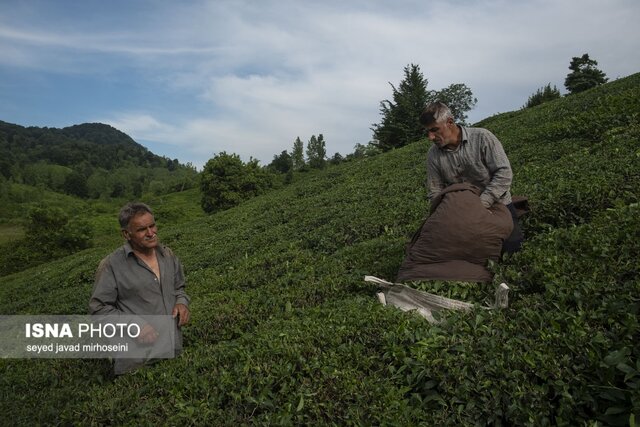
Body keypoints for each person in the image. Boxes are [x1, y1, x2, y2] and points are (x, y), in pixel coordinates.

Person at [89, 202, 190, 374]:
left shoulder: (167, 255)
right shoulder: (111, 265)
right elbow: (98, 310)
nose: (151, 233)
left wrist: (182, 302)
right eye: (142, 229)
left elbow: (179, 287)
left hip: (173, 352)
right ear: (126, 234)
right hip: (137, 363)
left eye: (152, 226)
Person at [419, 102, 523, 254]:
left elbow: (504, 173)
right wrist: (444, 215)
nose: (430, 137)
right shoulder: (433, 155)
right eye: (427, 132)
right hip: (460, 212)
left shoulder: (482, 137)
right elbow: (435, 189)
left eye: (435, 130)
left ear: (449, 122)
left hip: (497, 204)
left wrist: (483, 203)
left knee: (510, 249)